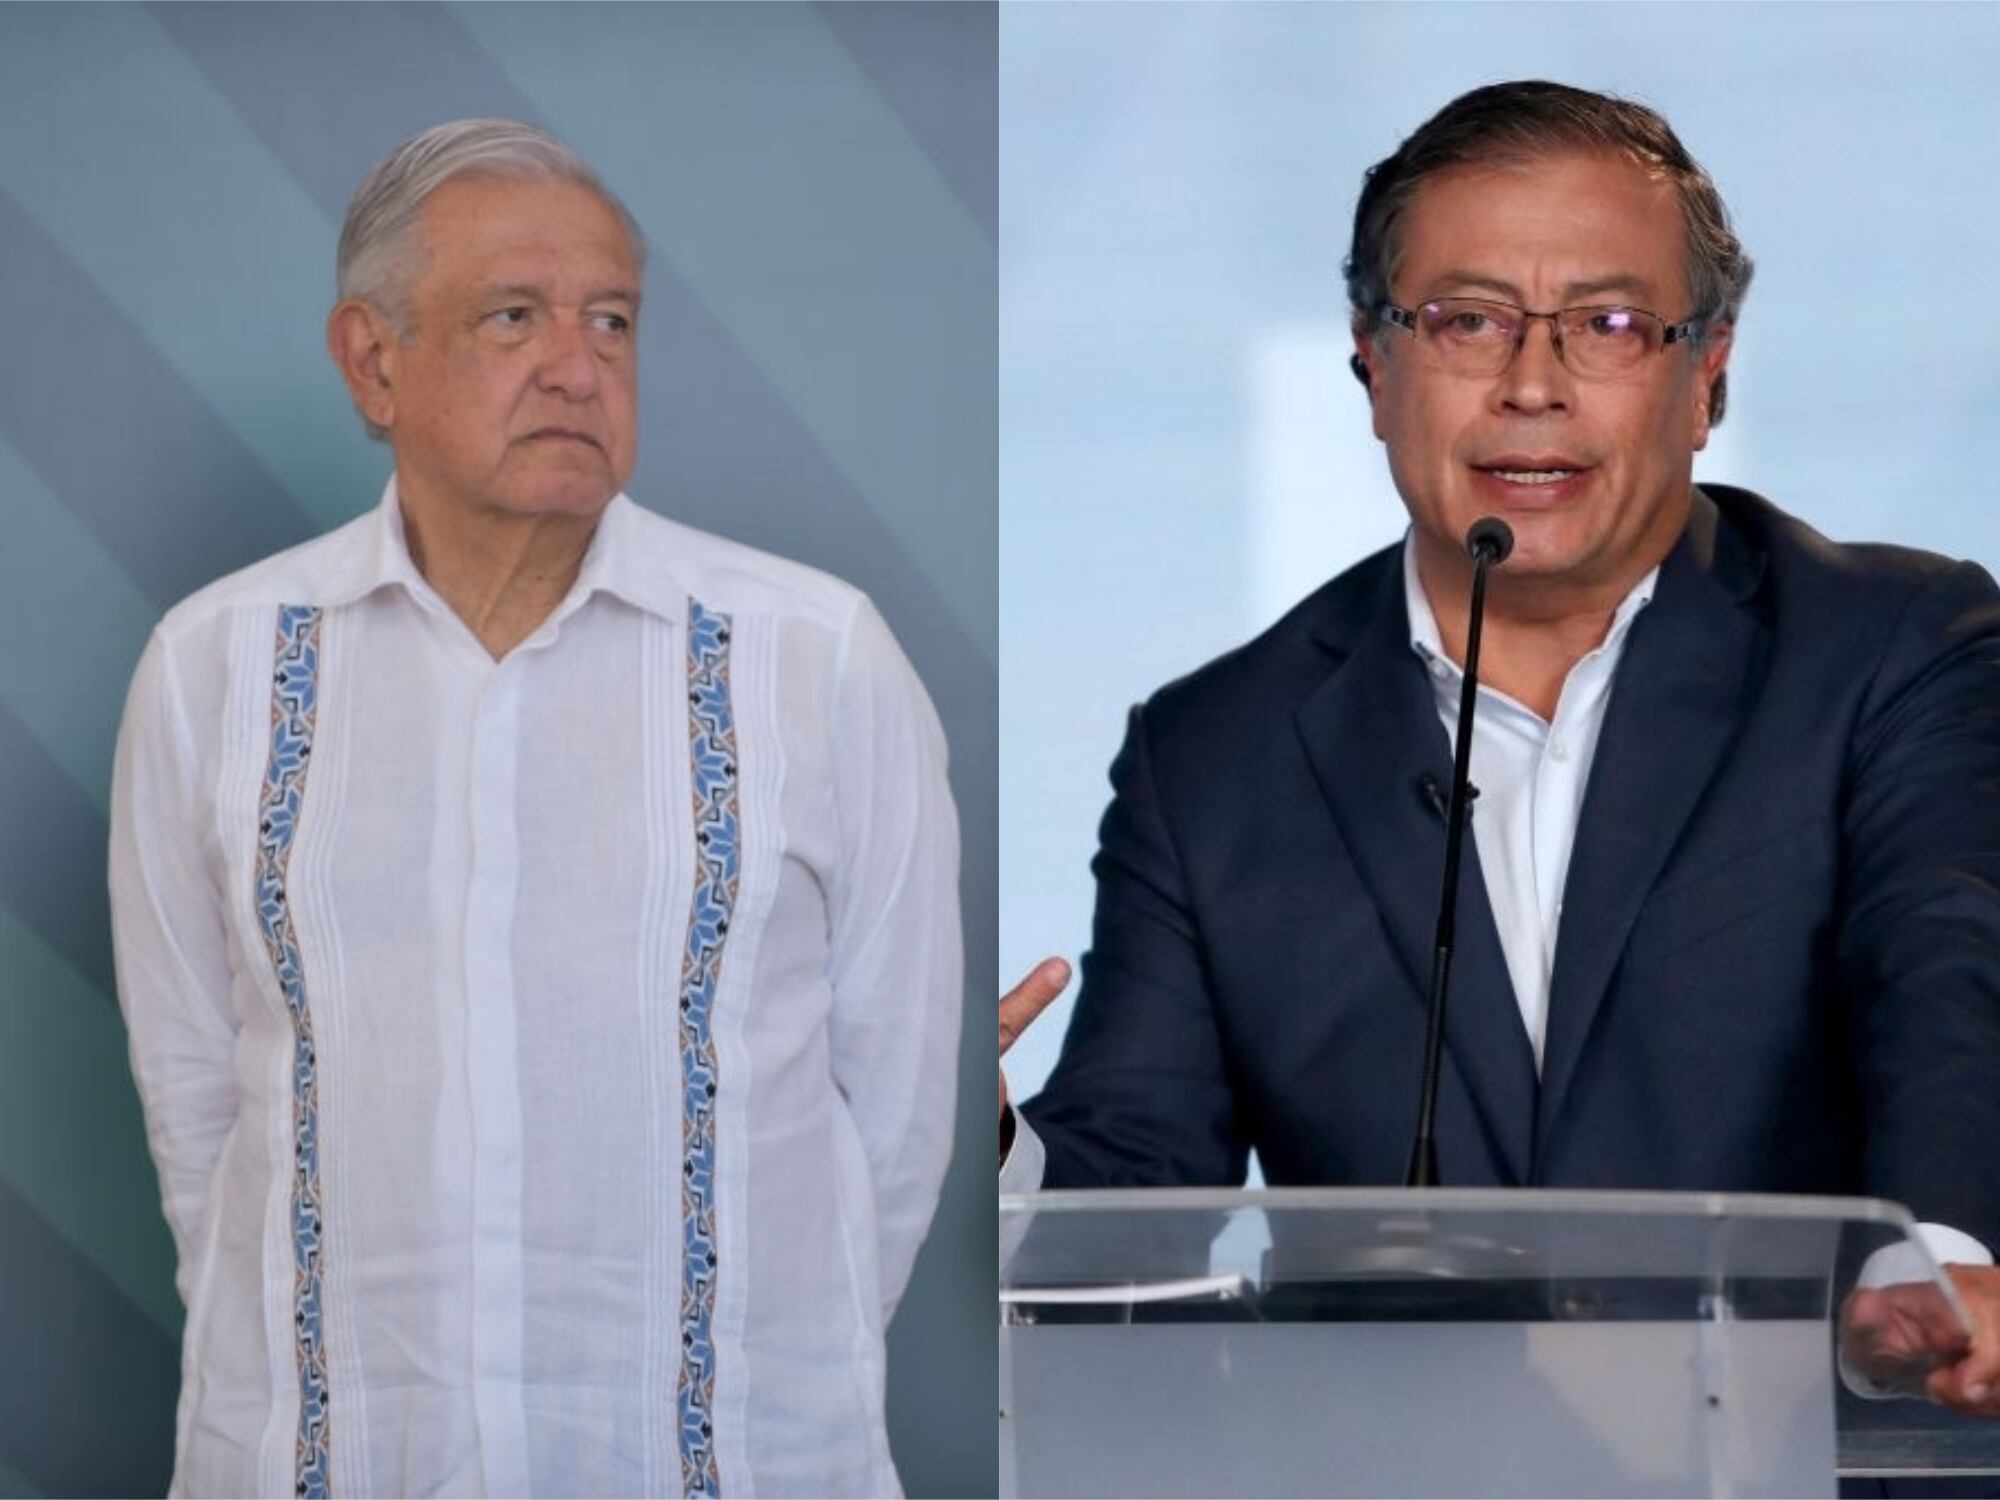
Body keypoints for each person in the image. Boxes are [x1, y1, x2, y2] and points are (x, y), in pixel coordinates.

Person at [998, 80, 2000, 1416]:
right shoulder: (1212, 755)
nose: (1532, 385)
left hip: (1808, 1454)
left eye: (1608, 325)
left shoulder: (1894, 649)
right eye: (1467, 321)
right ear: (1372, 363)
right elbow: (1136, 1199)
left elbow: (1949, 979)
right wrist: (983, 1142)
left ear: (1707, 374)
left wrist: (1936, 1266)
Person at [108, 118, 961, 1498]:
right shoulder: (215, 670)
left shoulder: (818, 660)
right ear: (373, 361)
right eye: (514, 316)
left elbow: (893, 1125)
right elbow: (200, 1114)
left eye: (610, 321)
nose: (577, 365)